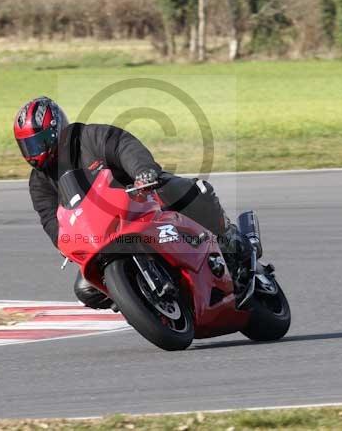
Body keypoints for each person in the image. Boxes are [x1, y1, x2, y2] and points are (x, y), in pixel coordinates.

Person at [13, 96, 248, 309]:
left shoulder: (89, 136)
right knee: (85, 289)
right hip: (101, 236)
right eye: (27, 146)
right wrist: (67, 244)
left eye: (38, 143)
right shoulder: (39, 182)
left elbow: (124, 146)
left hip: (141, 202)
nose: (33, 152)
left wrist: (142, 172)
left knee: (186, 191)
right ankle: (140, 299)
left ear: (56, 131)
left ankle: (230, 241)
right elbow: (51, 220)